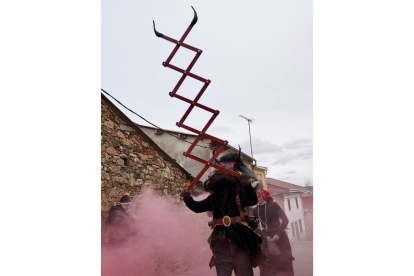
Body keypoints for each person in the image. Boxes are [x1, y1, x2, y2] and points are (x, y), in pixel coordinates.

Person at [181, 151, 267, 276]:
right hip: (221, 246)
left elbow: (252, 200)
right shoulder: (215, 196)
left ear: (236, 167)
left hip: (241, 243)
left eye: (230, 164)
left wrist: (247, 185)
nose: (224, 167)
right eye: (221, 164)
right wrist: (188, 199)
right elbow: (198, 207)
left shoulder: (239, 191)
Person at [252, 189, 295, 276]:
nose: (257, 198)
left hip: (280, 236)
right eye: (256, 197)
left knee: (285, 260)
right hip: (266, 238)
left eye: (259, 196)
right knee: (265, 263)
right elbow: (253, 226)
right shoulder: (255, 210)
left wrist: (278, 234)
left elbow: (285, 220)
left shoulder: (273, 205)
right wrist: (264, 235)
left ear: (264, 196)